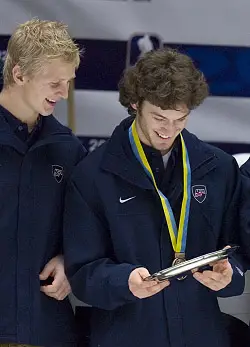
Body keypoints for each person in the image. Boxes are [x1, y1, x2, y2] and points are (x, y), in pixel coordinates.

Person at [64, 48, 245, 347]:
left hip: (201, 334)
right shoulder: (92, 176)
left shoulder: (219, 168)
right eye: (159, 117)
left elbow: (236, 250)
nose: (169, 130)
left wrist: (230, 275)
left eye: (180, 119)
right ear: (135, 104)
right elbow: (83, 273)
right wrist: (124, 282)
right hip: (126, 335)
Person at [0, 19, 86, 347]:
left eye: (68, 82)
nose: (64, 94)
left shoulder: (67, 149)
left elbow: (85, 229)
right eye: (54, 83)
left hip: (45, 330)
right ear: (20, 75)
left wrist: (70, 259)